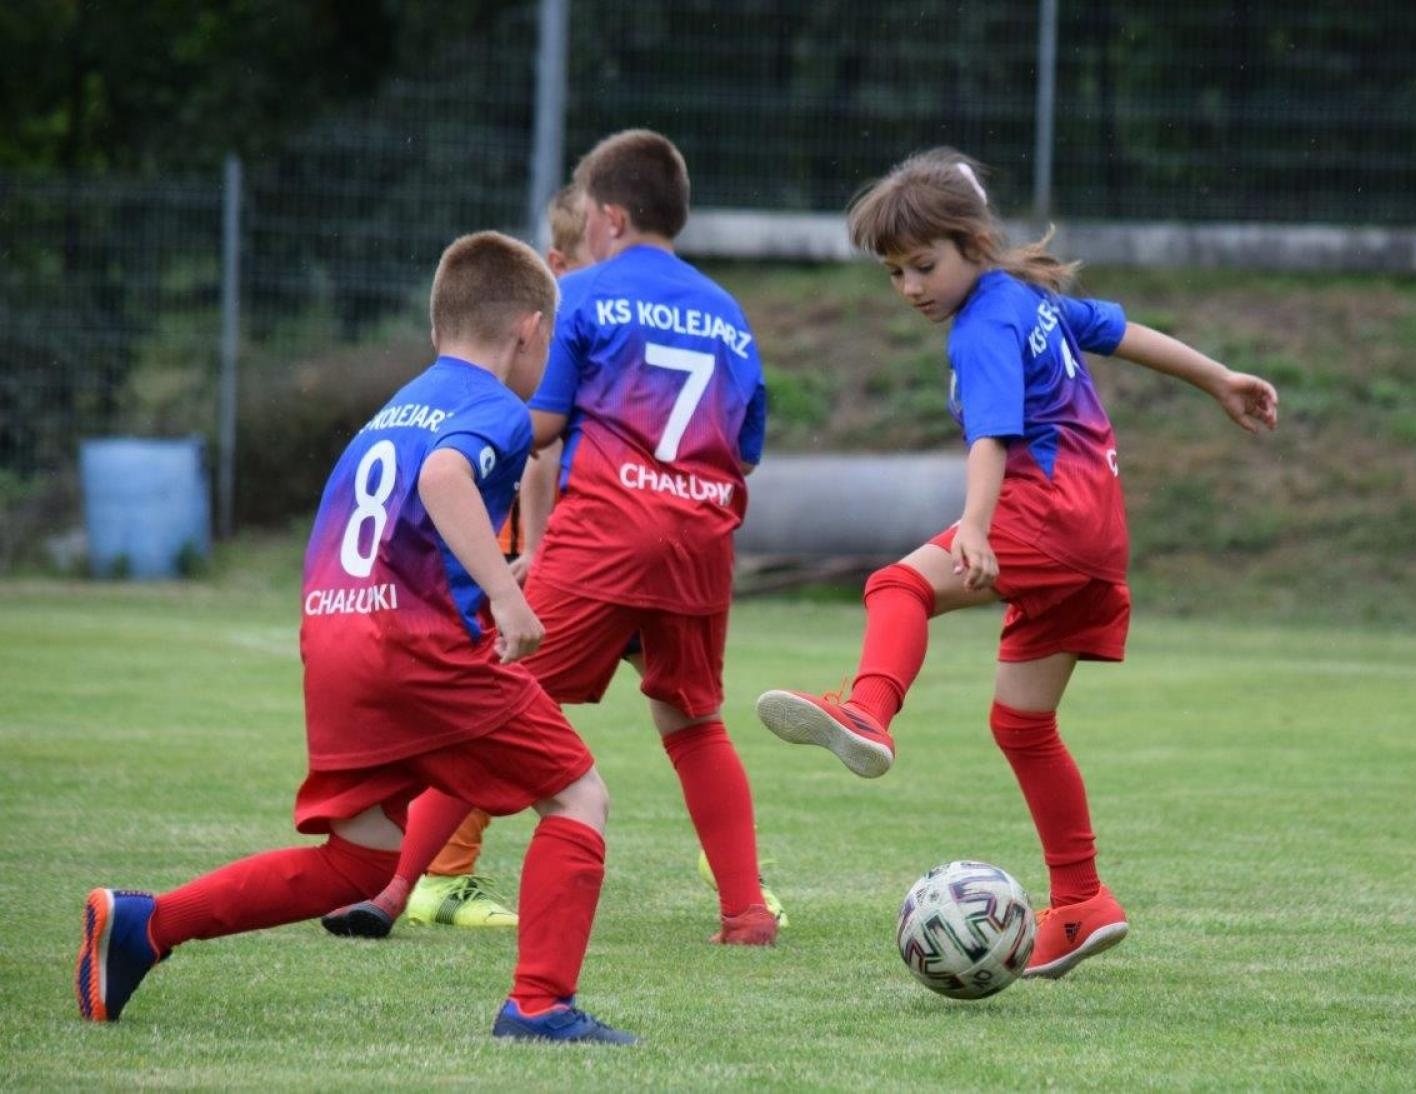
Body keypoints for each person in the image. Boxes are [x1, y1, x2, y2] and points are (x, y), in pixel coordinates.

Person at [76, 230, 637, 1044]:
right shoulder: (496, 409)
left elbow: (377, 523)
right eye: (545, 340)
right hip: (414, 650)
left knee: (363, 861)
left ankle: (144, 926)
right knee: (580, 795)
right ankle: (541, 1006)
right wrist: (506, 600)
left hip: (337, 644)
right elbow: (445, 477)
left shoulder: (393, 411)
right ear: (528, 329)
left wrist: (477, 584)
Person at [755, 149, 1279, 980]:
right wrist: (1218, 379)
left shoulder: (986, 323)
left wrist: (974, 525)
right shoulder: (1032, 299)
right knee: (1022, 724)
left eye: (924, 265)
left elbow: (991, 434)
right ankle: (1081, 904)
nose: (912, 287)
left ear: (973, 243)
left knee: (897, 584)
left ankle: (867, 711)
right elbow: (1125, 333)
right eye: (895, 273)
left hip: (1046, 511)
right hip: (1099, 529)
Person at [323, 129, 780, 946]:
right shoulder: (731, 315)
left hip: (606, 536)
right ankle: (745, 914)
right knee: (694, 718)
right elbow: (746, 445)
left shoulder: (591, 297)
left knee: (492, 707)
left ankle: (391, 891)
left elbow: (540, 425)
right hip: (701, 543)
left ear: (605, 216)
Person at [403, 184, 596, 931]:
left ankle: (736, 875)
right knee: (555, 758)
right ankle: (433, 876)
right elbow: (526, 461)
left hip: (588, 548)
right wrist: (531, 564)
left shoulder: (431, 394)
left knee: (690, 713)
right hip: (539, 556)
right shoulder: (501, 401)